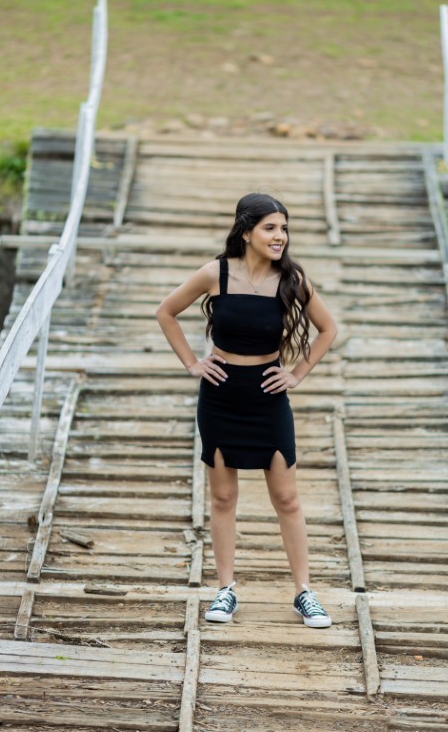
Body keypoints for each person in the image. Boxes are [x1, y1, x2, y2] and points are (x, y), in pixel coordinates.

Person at [156, 192, 338, 627]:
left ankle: (304, 592)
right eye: (270, 228)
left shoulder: (291, 278)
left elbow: (328, 328)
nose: (280, 236)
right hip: (220, 395)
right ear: (245, 231)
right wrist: (192, 364)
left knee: (287, 498)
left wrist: (297, 374)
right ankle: (225, 590)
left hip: (267, 397)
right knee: (223, 497)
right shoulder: (215, 273)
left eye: (284, 228)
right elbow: (166, 313)